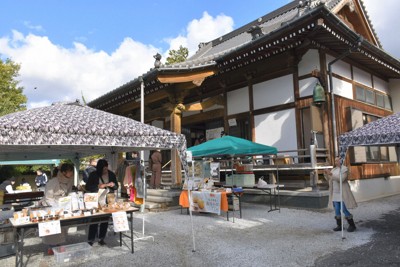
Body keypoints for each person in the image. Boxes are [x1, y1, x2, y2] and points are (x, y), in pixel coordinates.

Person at [40, 163, 75, 254]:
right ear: (63, 172)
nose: (71, 174)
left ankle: (61, 245)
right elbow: (48, 197)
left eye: (71, 172)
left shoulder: (70, 180)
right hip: (50, 205)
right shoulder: (53, 182)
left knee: (63, 227)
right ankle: (51, 247)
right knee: (52, 229)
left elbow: (68, 192)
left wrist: (68, 202)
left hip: (63, 205)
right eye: (69, 172)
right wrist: (55, 208)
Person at [85, 159, 118, 246]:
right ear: (99, 168)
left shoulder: (111, 174)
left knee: (105, 220)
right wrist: (98, 186)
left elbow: (116, 187)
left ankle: (101, 238)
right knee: (94, 220)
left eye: (106, 168)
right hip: (96, 200)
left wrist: (113, 185)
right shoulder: (93, 174)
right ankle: (91, 239)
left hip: (107, 199)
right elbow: (87, 187)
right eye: (103, 169)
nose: (105, 170)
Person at [324, 157, 357, 232]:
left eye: (337, 160)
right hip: (335, 193)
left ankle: (352, 225)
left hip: (342, 193)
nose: (336, 162)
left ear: (341, 161)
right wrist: (326, 174)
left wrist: (331, 174)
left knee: (344, 209)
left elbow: (341, 179)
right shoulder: (334, 169)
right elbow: (329, 178)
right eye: (335, 160)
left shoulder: (344, 169)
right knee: (337, 210)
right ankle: (339, 226)